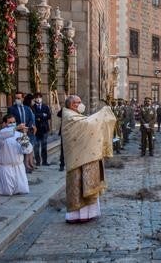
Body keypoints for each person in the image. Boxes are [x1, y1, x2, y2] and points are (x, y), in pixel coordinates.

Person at [61, 95, 116, 224]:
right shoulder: (69, 116)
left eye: (80, 101)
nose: (80, 104)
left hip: (87, 155)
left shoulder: (77, 115)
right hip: (77, 159)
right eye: (77, 102)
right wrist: (103, 113)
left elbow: (87, 126)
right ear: (71, 105)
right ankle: (75, 215)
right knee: (77, 183)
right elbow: (87, 125)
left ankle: (89, 213)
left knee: (88, 183)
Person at [0, 114, 33, 196]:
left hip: (19, 167)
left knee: (22, 190)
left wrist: (24, 134)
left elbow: (27, 150)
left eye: (14, 122)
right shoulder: (0, 135)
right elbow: (4, 133)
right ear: (4, 124)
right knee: (7, 192)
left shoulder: (20, 135)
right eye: (10, 122)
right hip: (6, 168)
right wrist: (16, 127)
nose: (12, 124)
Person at [8, 92, 37, 173]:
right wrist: (19, 127)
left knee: (27, 148)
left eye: (19, 98)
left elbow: (31, 119)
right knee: (19, 150)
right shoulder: (11, 109)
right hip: (17, 132)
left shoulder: (27, 108)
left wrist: (27, 127)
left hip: (27, 131)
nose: (17, 100)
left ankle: (27, 166)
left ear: (22, 99)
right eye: (16, 98)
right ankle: (22, 167)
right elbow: (10, 120)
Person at [31, 93, 52, 166]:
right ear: (35, 99)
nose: (38, 99)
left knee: (44, 146)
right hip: (36, 130)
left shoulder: (45, 106)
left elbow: (49, 116)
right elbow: (34, 116)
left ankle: (44, 161)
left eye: (39, 97)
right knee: (36, 147)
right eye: (37, 97)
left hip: (44, 129)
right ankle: (38, 161)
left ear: (41, 98)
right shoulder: (32, 107)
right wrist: (43, 115)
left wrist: (40, 116)